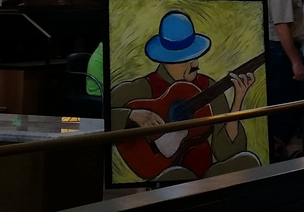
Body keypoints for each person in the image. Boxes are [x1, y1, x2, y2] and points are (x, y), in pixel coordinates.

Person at [109, 10, 261, 182]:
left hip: (206, 176)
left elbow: (227, 152)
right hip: (165, 176)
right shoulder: (142, 88)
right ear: (166, 59)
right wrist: (132, 116)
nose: (195, 64)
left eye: (195, 56)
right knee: (175, 177)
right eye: (184, 59)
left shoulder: (208, 87)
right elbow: (103, 116)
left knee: (247, 162)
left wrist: (238, 100)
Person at [262, 0, 304, 156]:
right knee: (284, 105)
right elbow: (281, 26)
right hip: (280, 51)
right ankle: (278, 152)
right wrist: (295, 61)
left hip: (281, 51)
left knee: (291, 103)